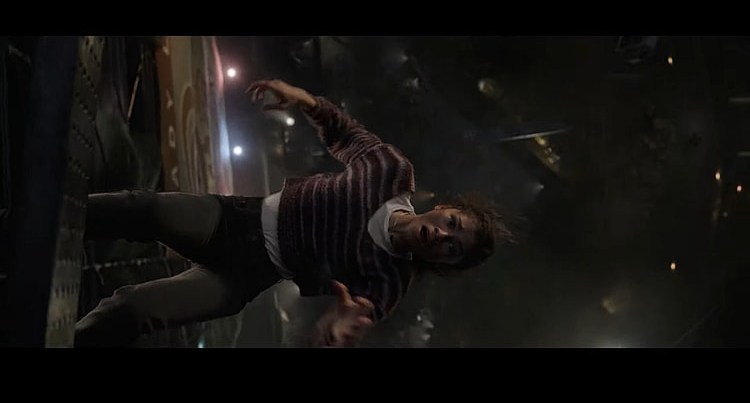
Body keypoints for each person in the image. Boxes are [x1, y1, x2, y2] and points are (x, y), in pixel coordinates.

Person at [74, 79, 513, 348]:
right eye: (452, 225)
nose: (442, 236)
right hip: (231, 220)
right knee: (142, 209)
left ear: (443, 262)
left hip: (243, 278)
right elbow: (345, 133)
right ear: (445, 209)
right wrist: (301, 98)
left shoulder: (391, 279)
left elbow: (360, 310)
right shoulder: (392, 173)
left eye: (452, 249)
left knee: (132, 309)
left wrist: (341, 326)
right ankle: (52, 222)